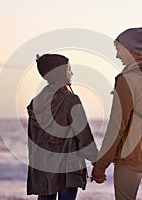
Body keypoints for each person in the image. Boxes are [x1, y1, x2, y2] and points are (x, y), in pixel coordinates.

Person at [91, 27, 142, 200]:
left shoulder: (128, 78)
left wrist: (101, 164)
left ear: (129, 49)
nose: (117, 55)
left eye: (118, 49)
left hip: (131, 157)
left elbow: (117, 126)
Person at [27, 54, 98, 200]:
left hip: (43, 168)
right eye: (68, 69)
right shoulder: (70, 100)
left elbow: (32, 141)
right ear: (60, 73)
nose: (71, 73)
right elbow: (84, 136)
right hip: (68, 169)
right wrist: (96, 162)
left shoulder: (35, 103)